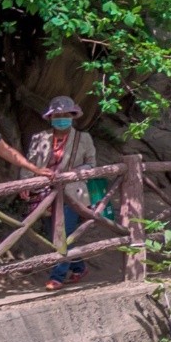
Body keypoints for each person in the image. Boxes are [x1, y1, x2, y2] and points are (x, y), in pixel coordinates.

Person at [36, 98, 106, 284]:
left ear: (73, 116)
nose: (61, 118)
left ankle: (57, 277)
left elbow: (91, 163)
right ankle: (79, 267)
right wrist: (26, 183)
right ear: (51, 117)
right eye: (57, 115)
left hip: (73, 193)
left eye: (66, 115)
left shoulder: (83, 138)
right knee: (54, 233)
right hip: (45, 193)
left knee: (63, 234)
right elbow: (31, 163)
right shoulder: (41, 138)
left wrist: (73, 173)